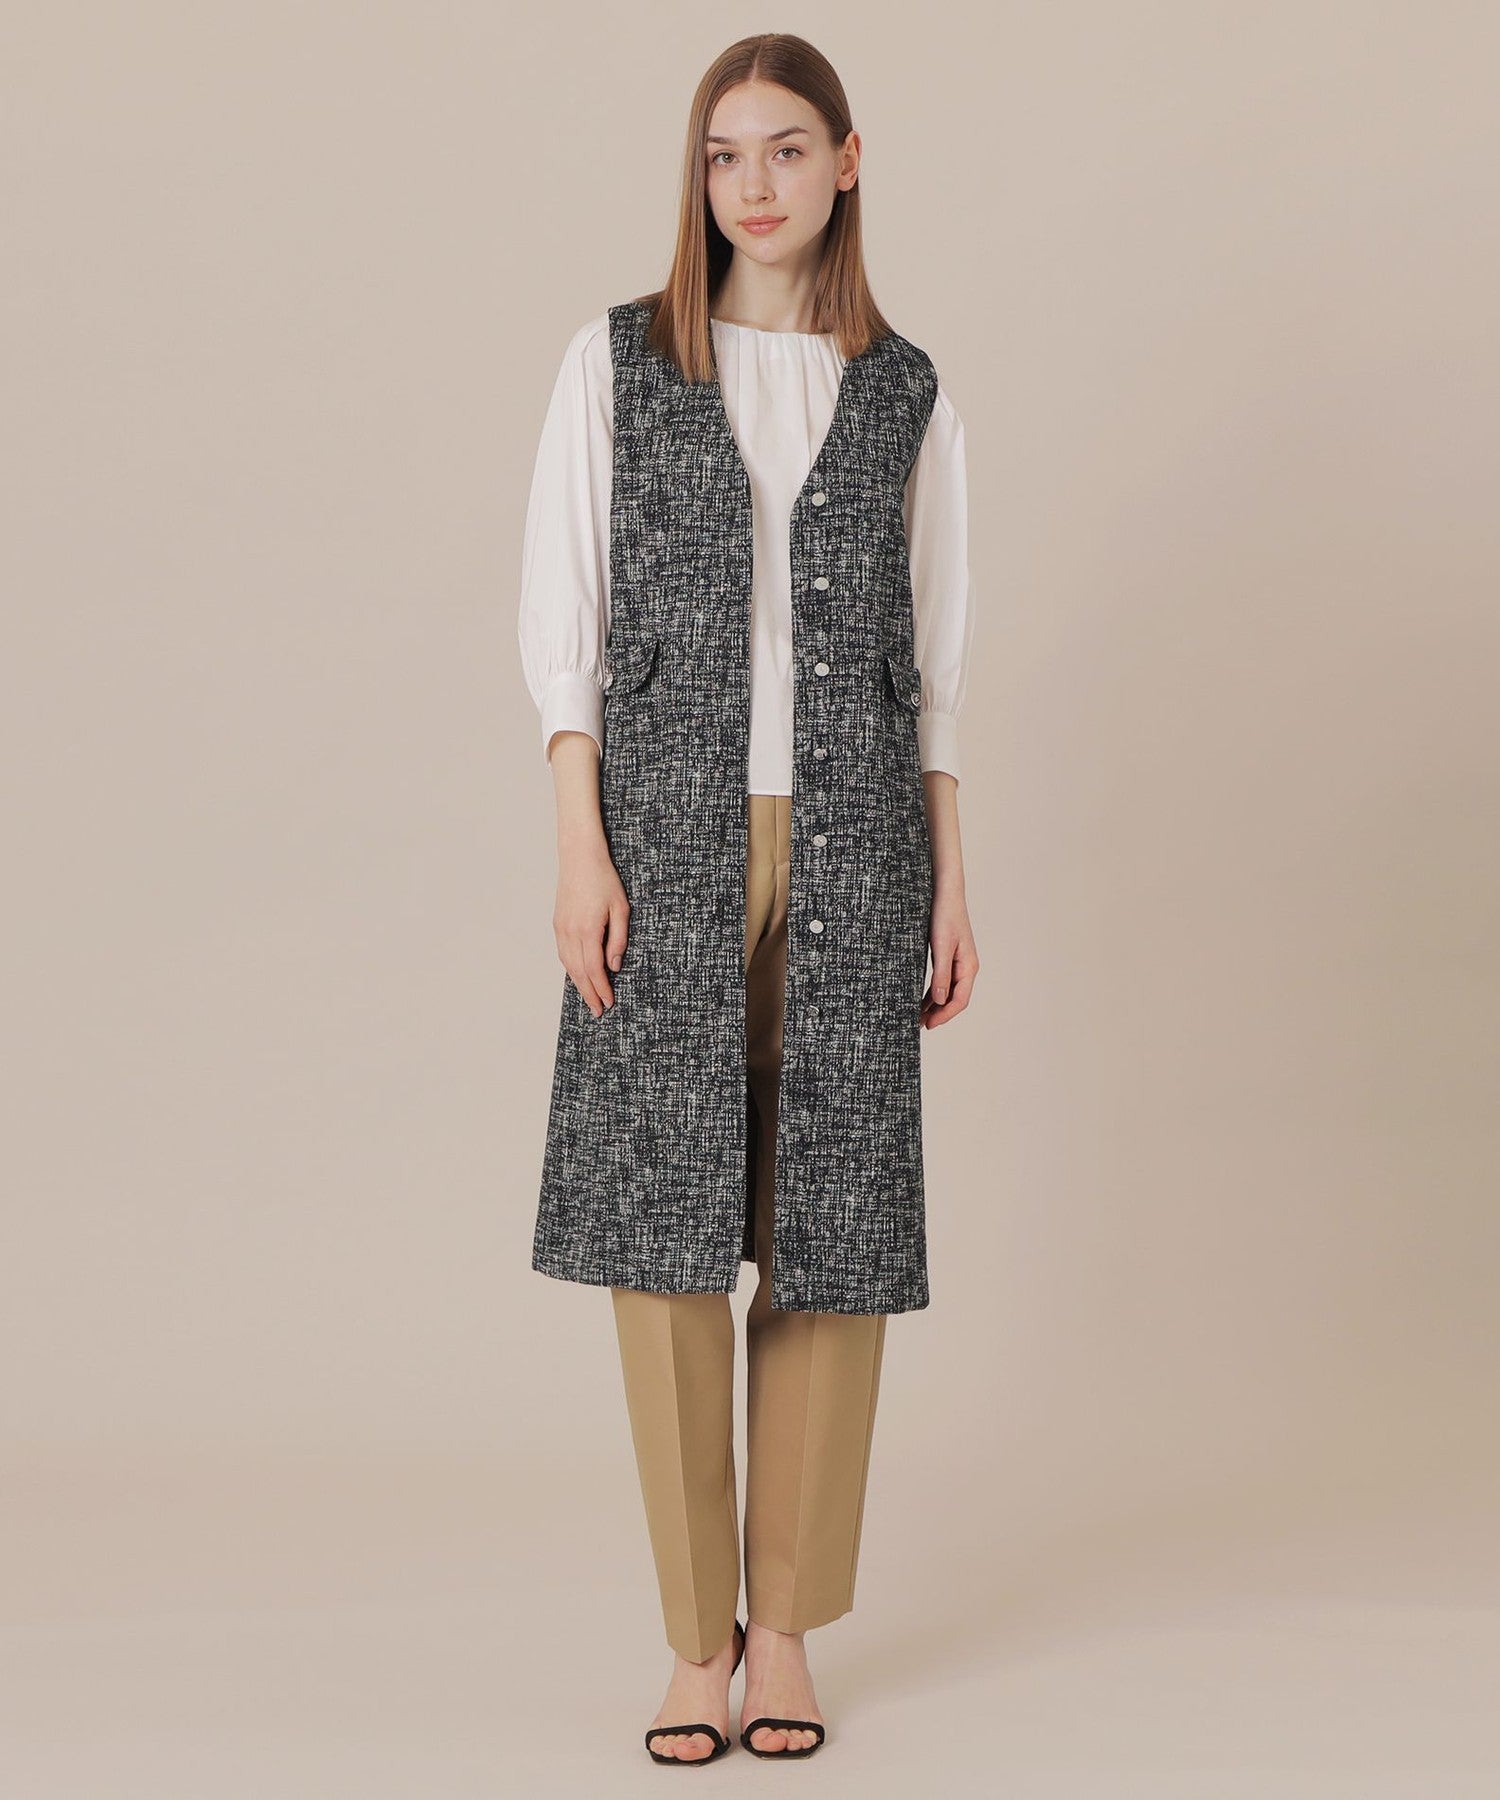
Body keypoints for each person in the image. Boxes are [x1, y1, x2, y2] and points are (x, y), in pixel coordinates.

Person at [518, 32, 979, 1766]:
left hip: (859, 845)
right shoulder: (619, 363)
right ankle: (691, 1644)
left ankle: (784, 1632)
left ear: (848, 162)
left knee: (831, 1248)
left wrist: (951, 878)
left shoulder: (909, 391)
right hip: (667, 841)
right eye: (724, 156)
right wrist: (582, 847)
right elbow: (563, 623)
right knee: (662, 1247)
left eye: (787, 150)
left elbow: (937, 664)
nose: (754, 186)